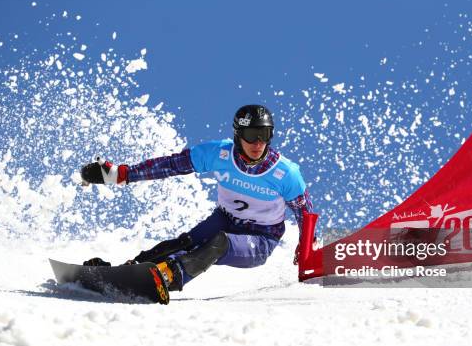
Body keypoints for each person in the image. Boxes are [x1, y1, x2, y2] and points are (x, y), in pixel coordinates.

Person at [80, 104, 313, 292]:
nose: (258, 143)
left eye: (264, 135)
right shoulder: (218, 154)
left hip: (261, 238)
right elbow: (171, 165)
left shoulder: (285, 173)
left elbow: (305, 212)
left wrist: (306, 245)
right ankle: (128, 271)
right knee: (184, 243)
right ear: (238, 135)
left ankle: (169, 276)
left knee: (218, 243)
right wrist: (122, 174)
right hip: (225, 219)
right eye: (252, 135)